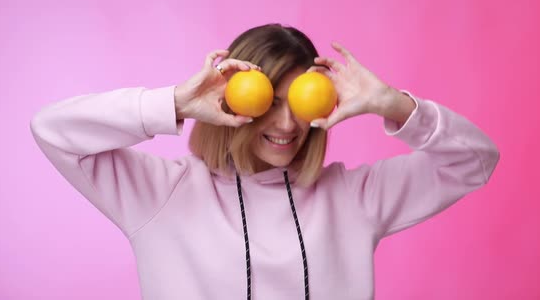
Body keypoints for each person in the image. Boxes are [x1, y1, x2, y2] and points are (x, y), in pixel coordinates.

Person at [31, 23, 500, 300]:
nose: (287, 123)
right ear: (234, 101)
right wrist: (175, 103)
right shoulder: (160, 194)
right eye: (269, 101)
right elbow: (53, 130)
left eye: (297, 101)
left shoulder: (354, 198)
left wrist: (392, 104)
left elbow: (475, 160)